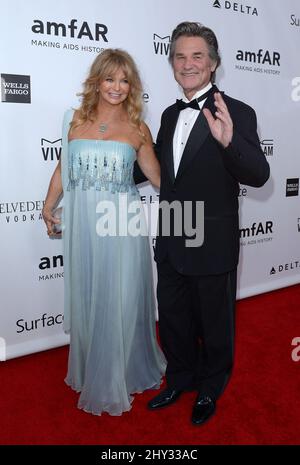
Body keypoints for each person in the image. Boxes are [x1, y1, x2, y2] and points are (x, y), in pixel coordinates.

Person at [147, 22, 270, 425]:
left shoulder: (237, 112)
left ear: (213, 63)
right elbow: (154, 170)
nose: (188, 64)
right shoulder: (167, 115)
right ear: (172, 64)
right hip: (170, 237)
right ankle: (179, 378)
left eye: (197, 55)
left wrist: (229, 142)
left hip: (212, 241)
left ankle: (212, 386)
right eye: (180, 56)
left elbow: (258, 174)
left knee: (216, 324)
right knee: (175, 317)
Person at [42, 48, 166, 416]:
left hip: (121, 225)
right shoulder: (74, 120)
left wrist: (203, 187)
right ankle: (92, 367)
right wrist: (48, 205)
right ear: (96, 80)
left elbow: (159, 179)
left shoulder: (138, 128)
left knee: (120, 298)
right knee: (90, 294)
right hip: (82, 228)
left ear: (132, 86)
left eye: (124, 80)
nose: (117, 87)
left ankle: (121, 372)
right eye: (110, 78)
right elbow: (63, 168)